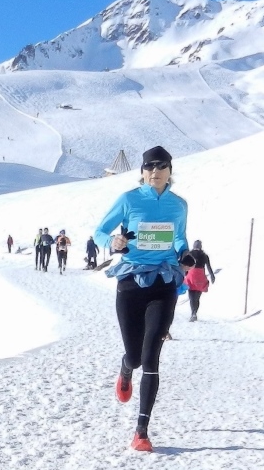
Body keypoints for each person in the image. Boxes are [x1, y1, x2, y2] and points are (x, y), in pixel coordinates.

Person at [94, 145, 193, 452]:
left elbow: (179, 236)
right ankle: (126, 369)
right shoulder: (129, 200)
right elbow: (99, 232)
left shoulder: (179, 205)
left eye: (161, 166)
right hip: (131, 281)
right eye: (149, 167)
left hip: (163, 282)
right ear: (142, 171)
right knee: (135, 357)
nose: (155, 172)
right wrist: (114, 241)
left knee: (151, 357)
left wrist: (184, 253)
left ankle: (141, 432)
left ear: (170, 171)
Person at [184, 240, 215, 322]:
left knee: (191, 296)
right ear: (201, 246)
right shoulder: (205, 255)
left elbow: (185, 266)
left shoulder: (189, 254)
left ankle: (193, 313)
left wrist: (184, 274)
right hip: (200, 278)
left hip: (191, 276)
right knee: (197, 297)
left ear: (194, 246)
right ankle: (194, 313)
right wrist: (212, 276)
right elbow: (209, 267)